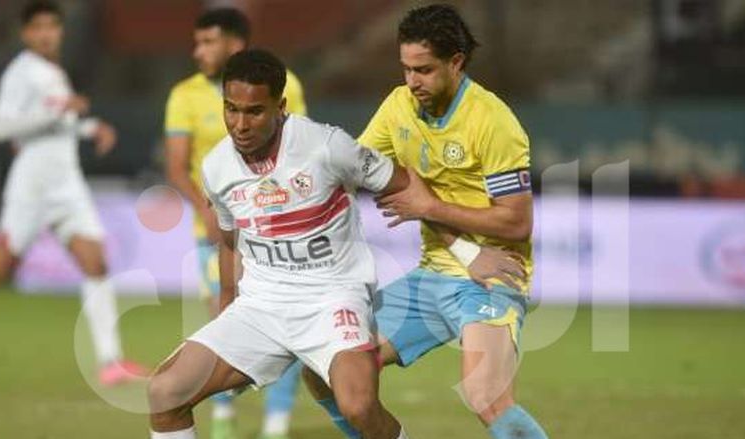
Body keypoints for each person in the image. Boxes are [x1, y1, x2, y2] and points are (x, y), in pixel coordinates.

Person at [305, 4, 549, 438]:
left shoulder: (492, 121)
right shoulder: (399, 106)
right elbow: (349, 171)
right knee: (326, 367)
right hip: (432, 276)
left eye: (424, 70)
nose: (412, 81)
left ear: (456, 62)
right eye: (406, 69)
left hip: (491, 279)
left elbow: (516, 223)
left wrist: (429, 207)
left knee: (486, 395)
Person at [147, 49, 411, 439]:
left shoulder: (326, 146)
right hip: (261, 306)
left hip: (332, 299)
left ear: (281, 107)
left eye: (254, 112)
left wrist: (464, 246)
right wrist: (227, 305)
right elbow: (230, 242)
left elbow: (402, 184)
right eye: (231, 109)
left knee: (358, 407)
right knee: (165, 392)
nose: (240, 125)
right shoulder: (217, 167)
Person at [0, 0, 146, 386]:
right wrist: (58, 113)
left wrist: (89, 128)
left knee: (95, 261)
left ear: (60, 31)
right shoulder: (20, 72)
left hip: (67, 184)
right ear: (26, 34)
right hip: (32, 186)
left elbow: (59, 123)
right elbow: (1, 128)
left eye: (52, 27)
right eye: (38, 28)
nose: (46, 35)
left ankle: (110, 362)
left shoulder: (54, 73)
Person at [163, 8, 306, 439]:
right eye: (197, 42)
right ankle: (223, 418)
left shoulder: (286, 84)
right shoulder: (184, 95)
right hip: (215, 234)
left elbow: (299, 151)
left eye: (208, 42)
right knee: (222, 319)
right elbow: (177, 167)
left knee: (288, 321)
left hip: (274, 234)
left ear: (235, 44)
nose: (198, 51)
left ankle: (276, 423)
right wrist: (207, 211)